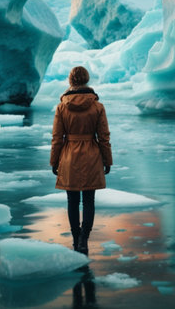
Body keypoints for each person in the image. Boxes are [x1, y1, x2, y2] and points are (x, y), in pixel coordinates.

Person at [50, 66, 113, 255]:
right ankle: (84, 239)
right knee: (89, 200)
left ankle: (75, 237)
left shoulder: (62, 107)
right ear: (86, 80)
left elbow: (57, 137)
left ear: (70, 81)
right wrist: (107, 160)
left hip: (69, 155)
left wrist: (54, 161)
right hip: (92, 155)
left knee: (72, 200)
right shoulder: (97, 106)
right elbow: (104, 137)